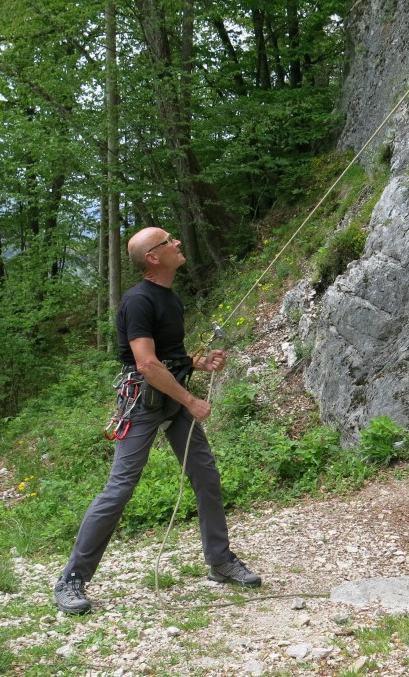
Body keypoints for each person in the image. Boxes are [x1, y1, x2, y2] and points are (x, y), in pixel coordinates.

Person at [53, 227, 260, 615]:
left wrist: (198, 363)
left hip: (170, 397)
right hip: (143, 403)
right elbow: (146, 364)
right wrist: (191, 400)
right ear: (153, 257)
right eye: (169, 241)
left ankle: (220, 561)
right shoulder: (138, 302)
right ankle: (71, 580)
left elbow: (168, 357)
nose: (178, 243)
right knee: (119, 489)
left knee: (206, 477)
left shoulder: (169, 297)